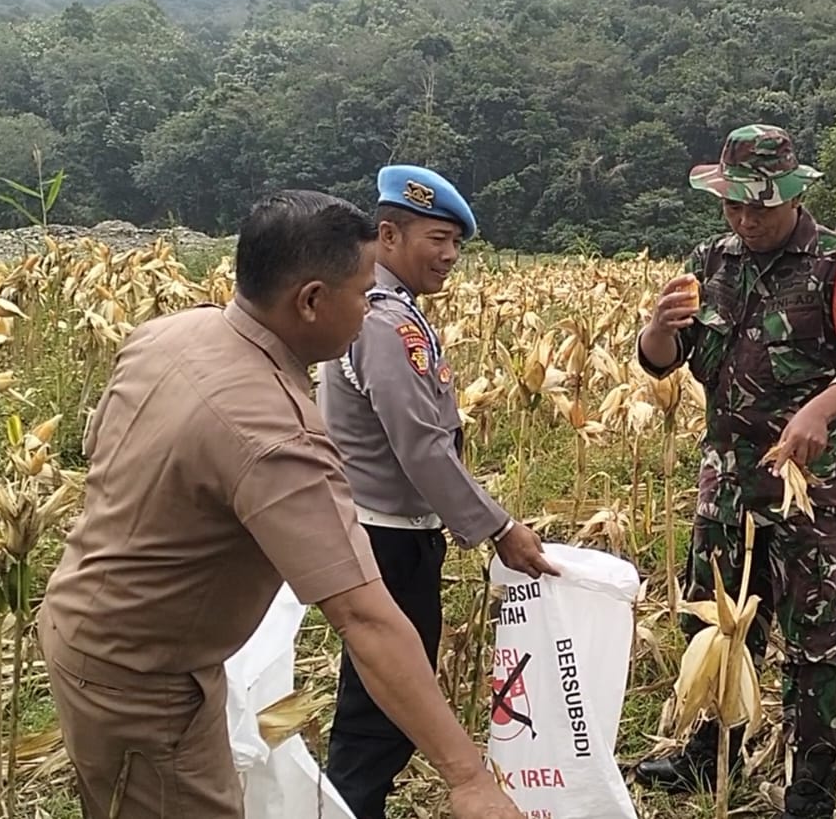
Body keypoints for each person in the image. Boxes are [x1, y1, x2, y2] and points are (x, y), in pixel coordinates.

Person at [38, 190, 521, 819]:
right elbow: (365, 619)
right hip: (142, 683)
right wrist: (468, 778)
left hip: (86, 628)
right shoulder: (277, 435)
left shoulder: (168, 334)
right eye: (362, 293)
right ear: (311, 300)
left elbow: (97, 448)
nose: (369, 309)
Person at [634, 124, 836, 819]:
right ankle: (711, 751)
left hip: (807, 486)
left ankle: (811, 783)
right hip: (725, 480)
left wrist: (821, 409)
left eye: (761, 207)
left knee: (812, 635)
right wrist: (657, 330)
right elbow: (666, 359)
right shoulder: (711, 260)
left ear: (792, 196)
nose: (747, 220)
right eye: (734, 206)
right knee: (716, 621)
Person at [316, 165, 558, 818]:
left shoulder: (393, 313)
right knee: (381, 709)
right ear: (389, 235)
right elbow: (420, 446)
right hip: (386, 539)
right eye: (437, 239)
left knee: (383, 700)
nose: (450, 254)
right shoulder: (383, 323)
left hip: (391, 531)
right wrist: (499, 528)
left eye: (456, 242)